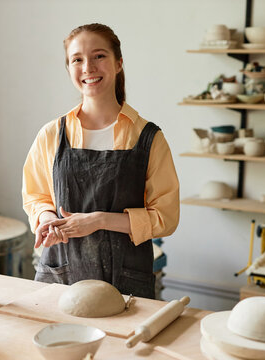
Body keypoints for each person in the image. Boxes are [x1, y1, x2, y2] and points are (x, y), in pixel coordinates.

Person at [22, 23, 179, 299]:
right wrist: (47, 219)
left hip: (126, 282)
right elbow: (36, 196)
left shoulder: (147, 137)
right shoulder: (51, 134)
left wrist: (99, 220)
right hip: (60, 278)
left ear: (118, 63)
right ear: (69, 68)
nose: (88, 68)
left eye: (99, 56)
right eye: (77, 59)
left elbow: (165, 217)